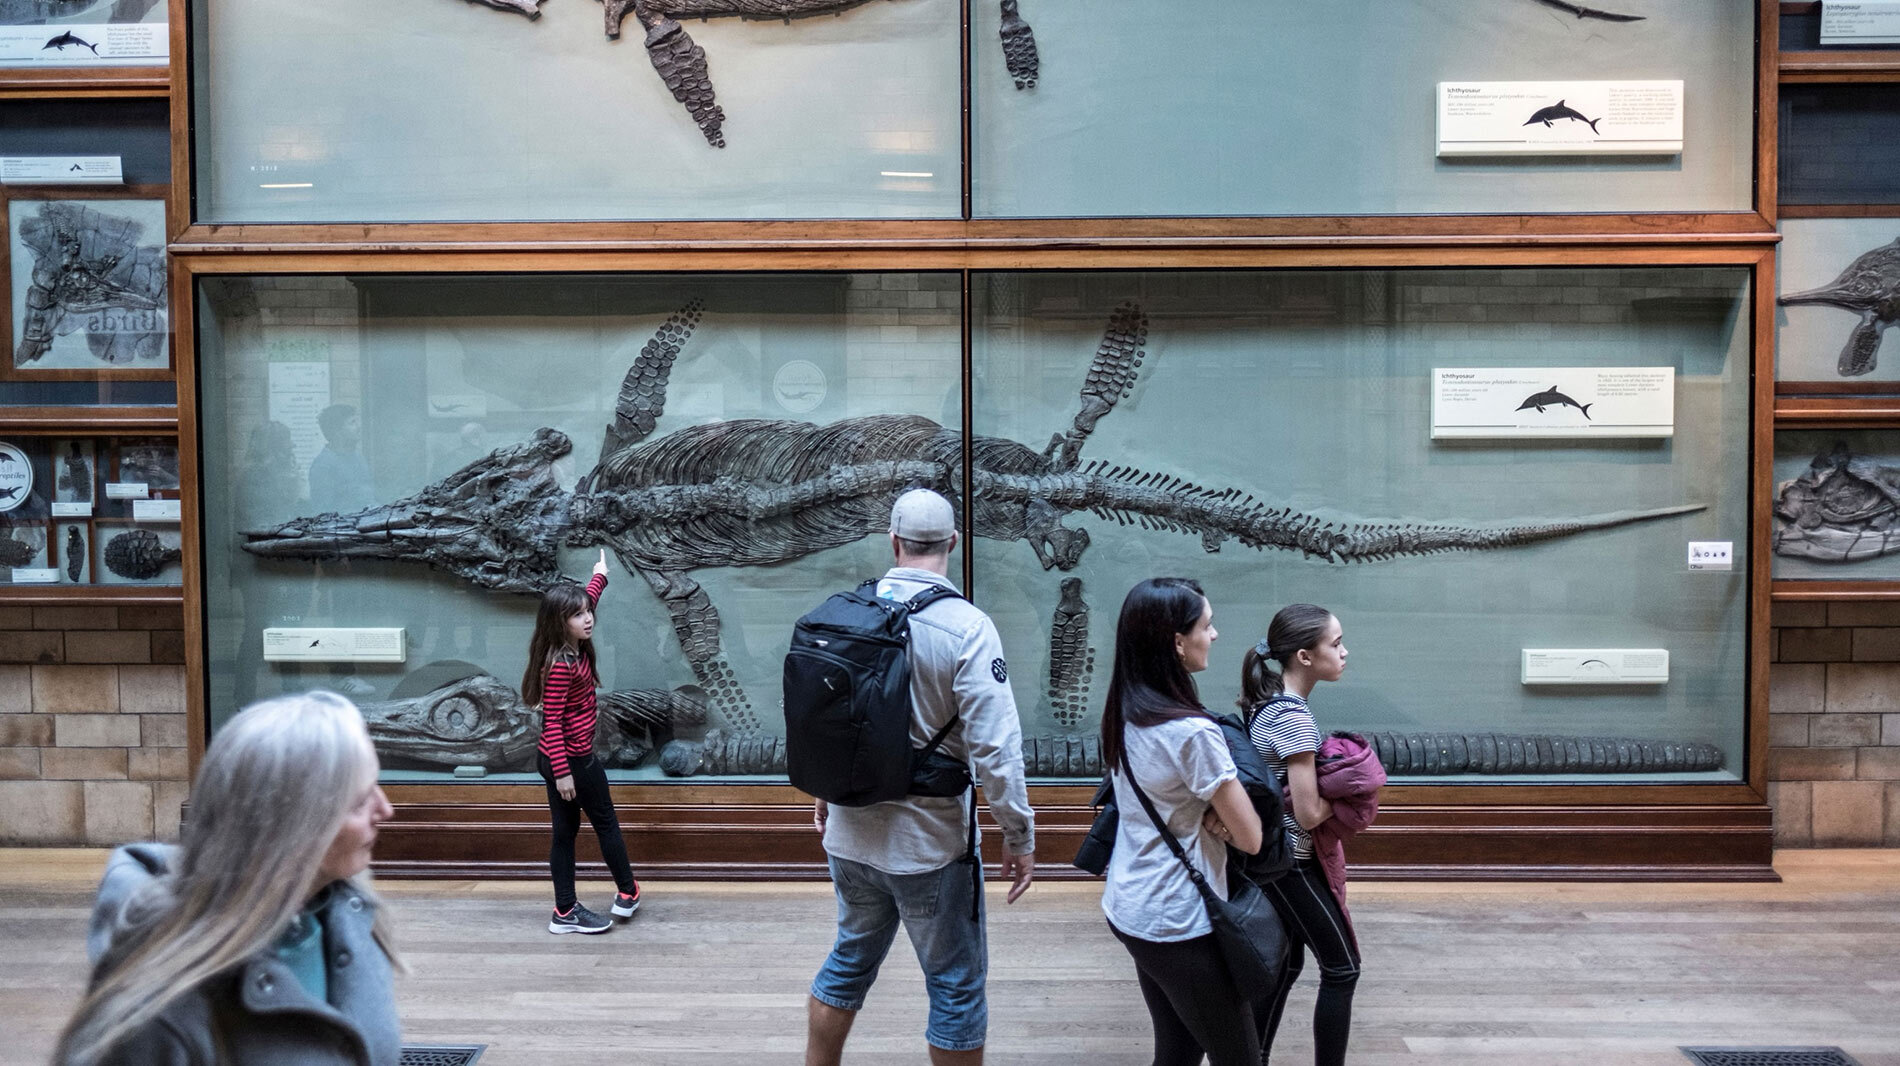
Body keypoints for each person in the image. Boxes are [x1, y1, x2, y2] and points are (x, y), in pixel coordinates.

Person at [806, 488, 1037, 1066]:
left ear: (893, 542)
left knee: (848, 960)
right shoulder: (968, 627)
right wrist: (1019, 833)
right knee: (955, 984)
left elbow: (819, 717)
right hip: (930, 846)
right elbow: (996, 750)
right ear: (954, 543)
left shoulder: (846, 613)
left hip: (850, 835)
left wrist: (824, 792)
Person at [55, 691, 401, 1066]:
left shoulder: (350, 919)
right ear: (291, 824)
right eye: (360, 801)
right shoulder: (158, 1013)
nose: (386, 810)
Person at [1100, 577, 1266, 1066]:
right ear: (1176, 641)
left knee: (1177, 1050)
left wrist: (1213, 812)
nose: (1213, 636)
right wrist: (1220, 814)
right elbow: (1252, 838)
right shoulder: (1192, 733)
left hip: (1132, 906)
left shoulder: (1126, 711)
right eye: (1206, 626)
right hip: (1179, 921)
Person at [1241, 604, 1361, 1066]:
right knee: (1342, 968)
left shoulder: (1270, 703)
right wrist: (1353, 798)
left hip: (1272, 858)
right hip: (1291, 861)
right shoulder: (1293, 717)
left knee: (1286, 967)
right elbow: (1309, 814)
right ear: (1305, 657)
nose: (1344, 652)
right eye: (1335, 643)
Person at [522, 548, 642, 935]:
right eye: (577, 615)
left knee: (565, 832)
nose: (588, 618)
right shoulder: (561, 665)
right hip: (570, 760)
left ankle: (564, 911)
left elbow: (587, 598)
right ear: (560, 624)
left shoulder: (574, 645)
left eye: (587, 611)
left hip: (564, 760)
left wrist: (600, 574)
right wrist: (563, 774)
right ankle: (628, 891)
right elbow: (551, 722)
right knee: (605, 823)